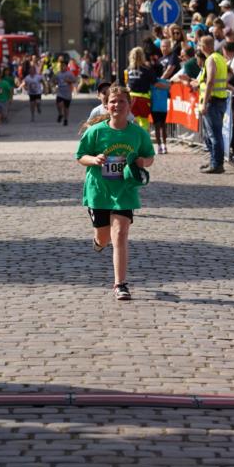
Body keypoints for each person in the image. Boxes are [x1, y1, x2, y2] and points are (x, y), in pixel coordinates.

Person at [76, 85, 154, 301]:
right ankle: (98, 242)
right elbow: (80, 156)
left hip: (125, 191)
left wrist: (142, 161)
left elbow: (149, 156)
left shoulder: (138, 133)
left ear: (129, 105)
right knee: (104, 237)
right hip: (99, 191)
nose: (117, 105)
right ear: (106, 105)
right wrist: (95, 159)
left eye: (121, 101)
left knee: (120, 234)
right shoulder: (96, 132)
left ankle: (120, 284)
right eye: (113, 101)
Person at [196, 35, 229, 174]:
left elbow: (210, 81)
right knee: (211, 135)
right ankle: (214, 161)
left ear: (204, 47)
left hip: (212, 102)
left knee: (214, 135)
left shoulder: (211, 59)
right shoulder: (220, 57)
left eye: (199, 45)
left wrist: (204, 103)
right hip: (219, 100)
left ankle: (216, 164)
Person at [55, 57, 77, 126]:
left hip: (67, 93)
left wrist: (69, 81)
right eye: (61, 66)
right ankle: (60, 114)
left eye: (63, 66)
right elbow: (54, 81)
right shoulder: (58, 74)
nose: (62, 67)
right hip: (60, 92)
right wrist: (54, 82)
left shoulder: (69, 73)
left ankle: (65, 120)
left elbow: (75, 80)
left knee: (66, 108)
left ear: (66, 66)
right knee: (59, 104)